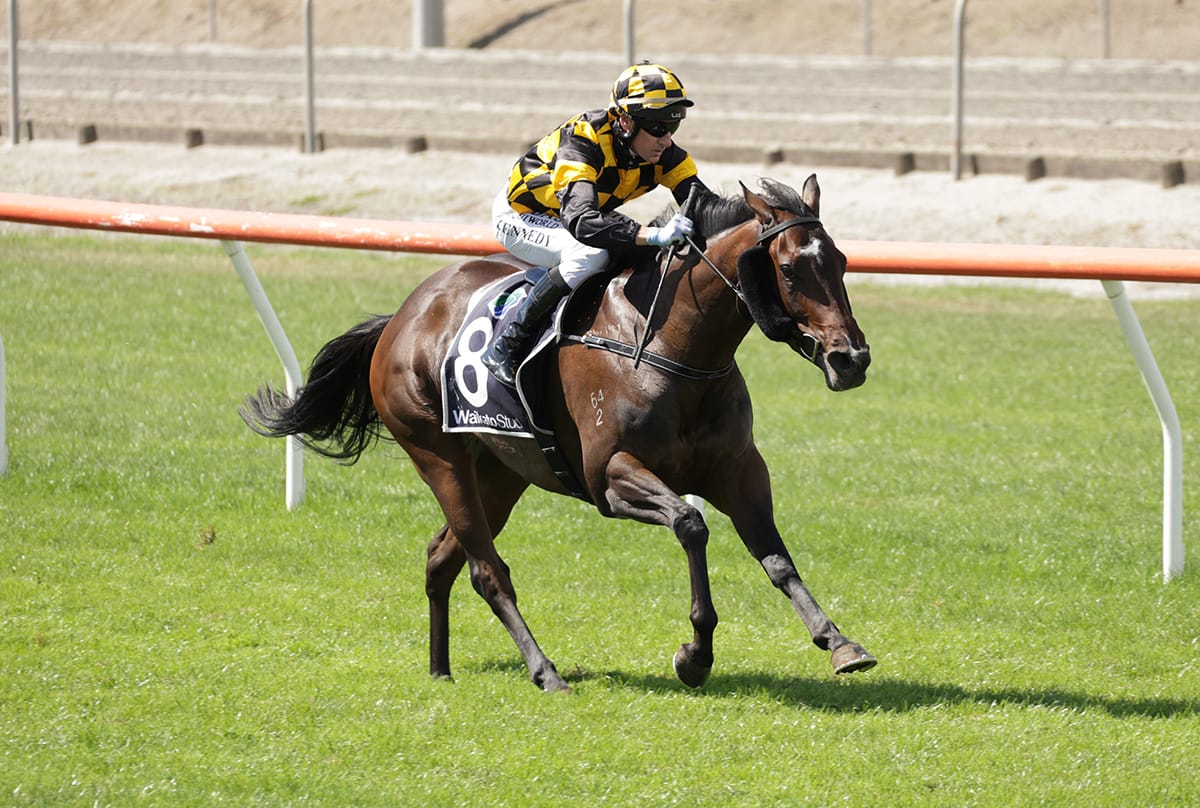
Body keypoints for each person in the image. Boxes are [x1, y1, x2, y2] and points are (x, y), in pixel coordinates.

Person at [483, 61, 716, 388]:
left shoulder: (662, 153)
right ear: (625, 121)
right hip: (522, 215)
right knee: (590, 255)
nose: (666, 140)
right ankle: (508, 343)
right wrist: (653, 234)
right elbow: (582, 221)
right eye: (658, 127)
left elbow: (706, 207)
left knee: (643, 254)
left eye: (673, 126)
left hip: (575, 215)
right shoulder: (583, 141)